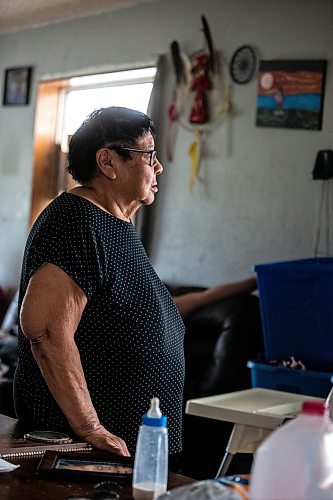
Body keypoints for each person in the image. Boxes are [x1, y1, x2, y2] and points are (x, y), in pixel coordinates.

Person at [14, 106, 257, 459]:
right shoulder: (77, 221)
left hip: (125, 446)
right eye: (149, 155)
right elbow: (45, 328)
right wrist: (90, 427)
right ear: (108, 162)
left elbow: (150, 311)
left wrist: (249, 283)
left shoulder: (116, 225)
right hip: (81, 449)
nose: (158, 166)